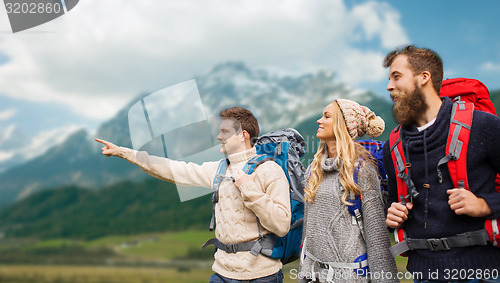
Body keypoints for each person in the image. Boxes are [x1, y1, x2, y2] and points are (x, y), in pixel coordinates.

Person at [96, 107, 291, 283]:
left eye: (224, 132)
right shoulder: (218, 169)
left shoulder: (270, 170)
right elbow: (172, 169)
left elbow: (282, 225)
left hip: (261, 276)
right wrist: (123, 152)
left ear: (243, 135)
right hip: (222, 273)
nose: (218, 137)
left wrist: (249, 189)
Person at [383, 45, 500, 282]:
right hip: (423, 274)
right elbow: (396, 203)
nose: (389, 87)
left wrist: (485, 204)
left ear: (423, 77)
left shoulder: (484, 126)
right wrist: (392, 214)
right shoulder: (392, 146)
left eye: (397, 76)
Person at [298, 99, 398, 283]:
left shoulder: (362, 171)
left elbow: (377, 239)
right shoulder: (313, 170)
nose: (319, 121)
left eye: (327, 116)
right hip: (314, 277)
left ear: (344, 126)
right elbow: (308, 233)